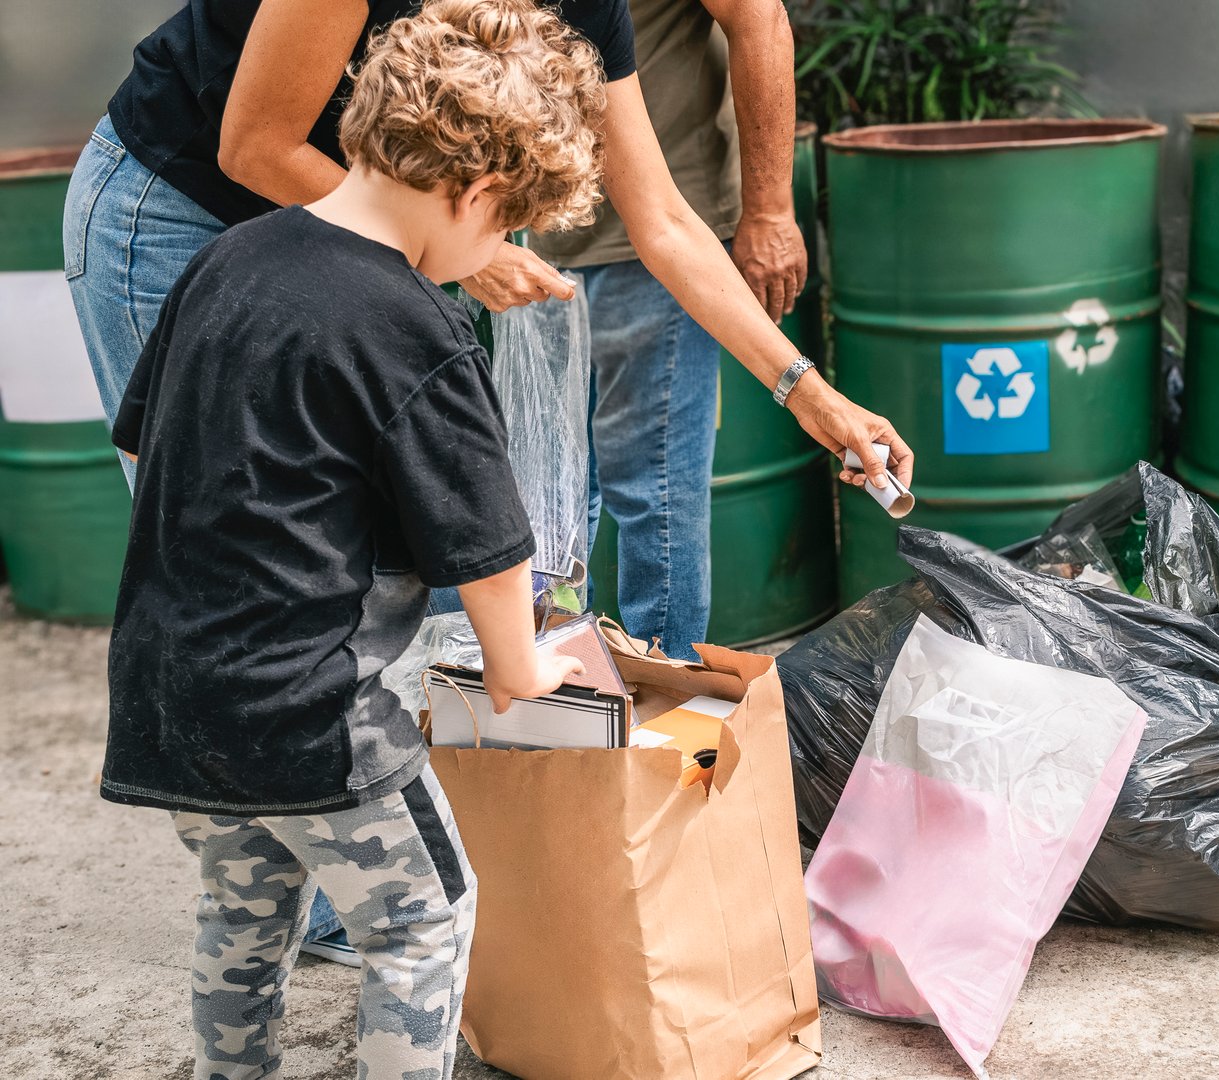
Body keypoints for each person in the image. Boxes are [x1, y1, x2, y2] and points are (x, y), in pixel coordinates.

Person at [65, 0, 912, 965]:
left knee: (367, 581)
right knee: (248, 577)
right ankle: (336, 893)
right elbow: (255, 142)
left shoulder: (588, 9)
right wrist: (462, 250)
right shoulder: (419, 224)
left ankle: (354, 888)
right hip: (186, 212)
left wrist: (806, 393)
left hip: (393, 228)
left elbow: (665, 219)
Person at [103, 4, 594, 1075]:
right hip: (315, 722)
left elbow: (146, 448)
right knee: (423, 921)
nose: (498, 253)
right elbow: (487, 536)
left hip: (170, 696)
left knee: (244, 912)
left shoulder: (226, 261)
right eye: (507, 227)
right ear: (473, 194)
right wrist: (519, 665)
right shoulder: (419, 327)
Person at [531, 0, 803, 661]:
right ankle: (558, 692)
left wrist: (768, 211)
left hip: (658, 238)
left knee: (653, 493)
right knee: (549, 501)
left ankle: (670, 695)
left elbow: (759, 16)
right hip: (536, 237)